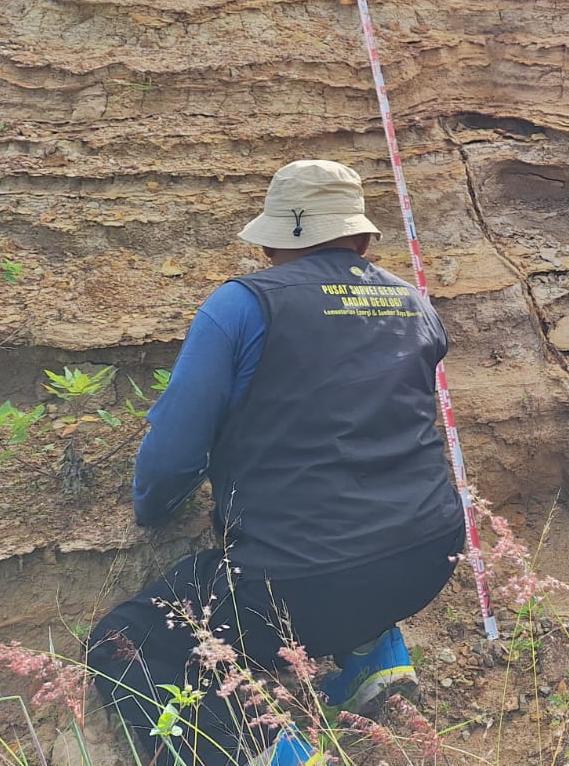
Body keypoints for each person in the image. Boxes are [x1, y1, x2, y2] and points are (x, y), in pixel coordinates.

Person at [87, 159, 466, 766]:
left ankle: (270, 751)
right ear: (362, 239)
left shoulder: (242, 306)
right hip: (429, 557)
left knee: (122, 644)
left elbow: (175, 452)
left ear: (270, 244)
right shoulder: (414, 302)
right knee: (356, 559)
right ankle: (374, 657)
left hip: (298, 581)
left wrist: (152, 508)